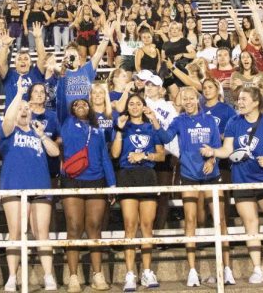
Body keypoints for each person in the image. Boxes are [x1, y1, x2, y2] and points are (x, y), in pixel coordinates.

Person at [203, 84, 263, 285]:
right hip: (242, 181)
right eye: (239, 99)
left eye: (244, 99)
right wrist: (213, 152)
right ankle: (257, 269)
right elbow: (227, 150)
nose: (239, 102)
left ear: (256, 102)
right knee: (250, 225)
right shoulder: (233, 122)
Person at [158, 86, 231, 287]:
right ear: (181, 102)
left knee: (220, 219)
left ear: (197, 100)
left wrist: (212, 159)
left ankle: (227, 268)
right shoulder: (179, 121)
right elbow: (165, 139)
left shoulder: (209, 120)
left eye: (191, 98)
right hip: (189, 175)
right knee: (190, 220)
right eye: (184, 99)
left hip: (211, 174)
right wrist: (155, 123)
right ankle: (192, 271)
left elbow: (217, 145)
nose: (188, 102)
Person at [0, 84, 61, 292]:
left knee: (41, 232)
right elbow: (8, 119)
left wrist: (43, 135)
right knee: (15, 232)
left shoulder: (38, 132)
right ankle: (12, 277)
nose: (24, 110)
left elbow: (54, 153)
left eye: (27, 108)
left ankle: (49, 276)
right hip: (14, 186)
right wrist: (18, 94)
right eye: (21, 108)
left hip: (40, 185)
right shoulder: (8, 131)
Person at [59, 96, 115, 292]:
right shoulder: (65, 123)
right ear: (71, 109)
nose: (80, 106)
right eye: (76, 104)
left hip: (97, 179)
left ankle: (97, 274)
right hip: (72, 180)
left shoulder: (99, 130)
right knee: (74, 226)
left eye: (84, 103)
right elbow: (60, 99)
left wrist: (112, 184)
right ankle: (73, 276)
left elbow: (105, 158)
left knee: (94, 227)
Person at [112, 93, 165, 291]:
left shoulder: (151, 127)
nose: (134, 106)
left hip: (147, 175)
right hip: (127, 175)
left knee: (147, 225)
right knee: (130, 225)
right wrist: (119, 129)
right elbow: (115, 154)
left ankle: (147, 271)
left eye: (138, 103)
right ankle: (129, 274)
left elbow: (161, 156)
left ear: (143, 106)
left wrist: (144, 155)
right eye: (131, 103)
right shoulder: (121, 126)